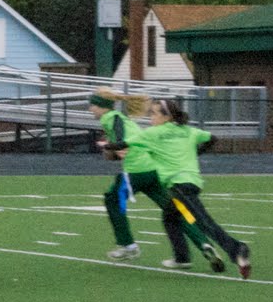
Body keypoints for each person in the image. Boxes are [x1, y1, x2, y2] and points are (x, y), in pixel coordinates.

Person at [123, 97, 252, 278]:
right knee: (170, 217)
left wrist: (109, 146)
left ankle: (237, 248)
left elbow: (124, 144)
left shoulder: (154, 133)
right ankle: (182, 258)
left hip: (178, 187)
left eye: (153, 112)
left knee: (203, 223)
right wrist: (197, 152)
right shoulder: (187, 130)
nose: (150, 116)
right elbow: (212, 138)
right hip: (191, 182)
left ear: (166, 116)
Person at [90, 90, 211, 267]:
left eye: (93, 105)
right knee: (173, 208)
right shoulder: (121, 118)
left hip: (137, 170)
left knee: (113, 199)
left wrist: (114, 146)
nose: (90, 108)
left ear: (102, 106)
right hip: (153, 169)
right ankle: (203, 242)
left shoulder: (111, 116)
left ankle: (127, 245)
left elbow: (120, 135)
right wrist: (113, 149)